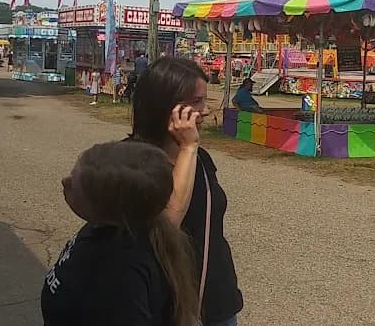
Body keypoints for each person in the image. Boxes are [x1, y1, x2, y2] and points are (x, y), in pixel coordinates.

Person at [130, 57, 243, 326]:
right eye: (195, 102)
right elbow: (168, 222)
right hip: (170, 307)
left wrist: (191, 151)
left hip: (217, 301)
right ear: (165, 105)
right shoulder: (135, 160)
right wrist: (188, 148)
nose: (204, 110)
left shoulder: (200, 159)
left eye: (204, 100)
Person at [41, 141, 200, 326]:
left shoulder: (119, 277)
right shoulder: (113, 228)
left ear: (105, 207)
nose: (64, 182)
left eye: (74, 186)